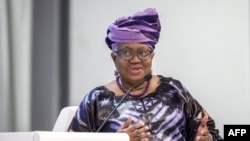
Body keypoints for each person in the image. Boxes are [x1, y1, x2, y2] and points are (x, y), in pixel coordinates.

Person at [70, 8, 224, 141]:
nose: (135, 60)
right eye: (126, 52)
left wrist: (207, 138)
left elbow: (210, 133)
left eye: (143, 52)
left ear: (152, 56)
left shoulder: (174, 90)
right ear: (114, 57)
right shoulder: (96, 100)